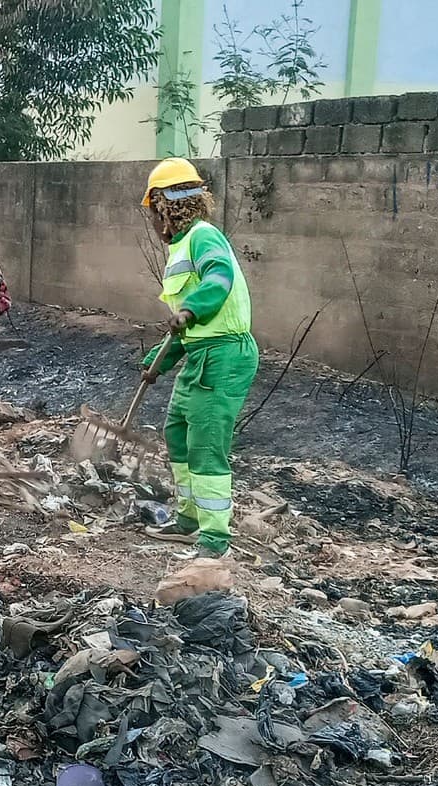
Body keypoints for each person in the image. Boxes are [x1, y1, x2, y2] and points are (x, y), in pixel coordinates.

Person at [139, 158, 258, 559]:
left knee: (207, 444)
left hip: (224, 355)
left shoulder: (204, 237)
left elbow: (218, 280)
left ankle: (214, 540)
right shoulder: (181, 247)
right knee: (177, 432)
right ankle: (189, 520)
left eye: (153, 212)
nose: (153, 222)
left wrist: (190, 309)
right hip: (200, 354)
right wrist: (159, 359)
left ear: (166, 206)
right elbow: (183, 328)